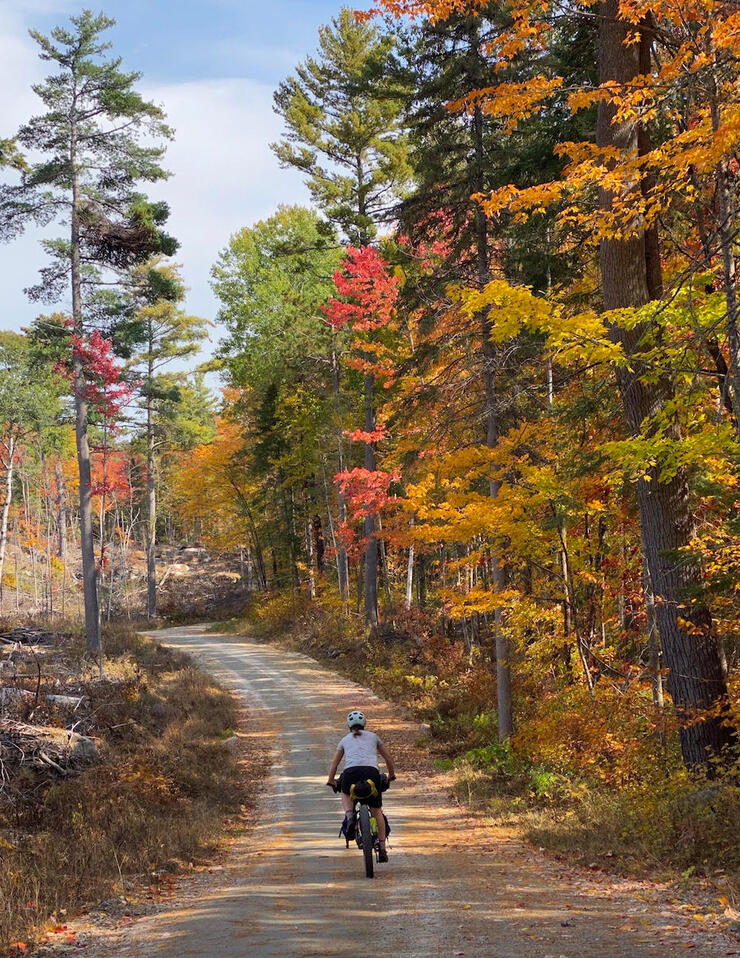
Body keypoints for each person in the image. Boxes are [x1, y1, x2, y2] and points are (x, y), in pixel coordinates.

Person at [326, 709, 396, 863]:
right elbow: (389, 759)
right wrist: (391, 776)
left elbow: (335, 763)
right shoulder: (373, 737)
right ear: (364, 724)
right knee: (377, 812)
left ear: (349, 725)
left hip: (351, 774)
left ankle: (350, 815)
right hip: (372, 774)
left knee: (345, 792)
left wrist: (331, 780)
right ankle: (383, 848)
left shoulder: (344, 740)